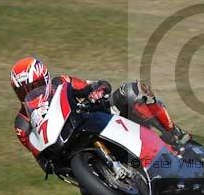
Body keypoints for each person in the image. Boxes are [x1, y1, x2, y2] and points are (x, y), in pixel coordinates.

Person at [10, 56, 189, 174]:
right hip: (71, 149)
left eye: (36, 86)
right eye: (24, 91)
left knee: (132, 92)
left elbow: (96, 84)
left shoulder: (62, 82)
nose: (32, 93)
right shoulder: (21, 124)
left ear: (46, 78)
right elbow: (40, 158)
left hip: (97, 118)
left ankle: (174, 133)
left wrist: (97, 91)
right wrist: (50, 163)